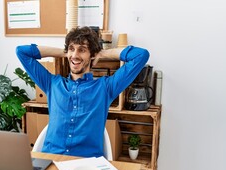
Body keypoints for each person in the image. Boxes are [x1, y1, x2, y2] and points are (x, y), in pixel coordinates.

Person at [16, 26, 149, 158]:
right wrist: (63, 52)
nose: (75, 55)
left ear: (92, 55)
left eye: (82, 50)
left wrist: (102, 53)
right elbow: (21, 52)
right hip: (51, 160)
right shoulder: (52, 83)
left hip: (87, 165)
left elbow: (141, 55)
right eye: (72, 49)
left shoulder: (106, 87)